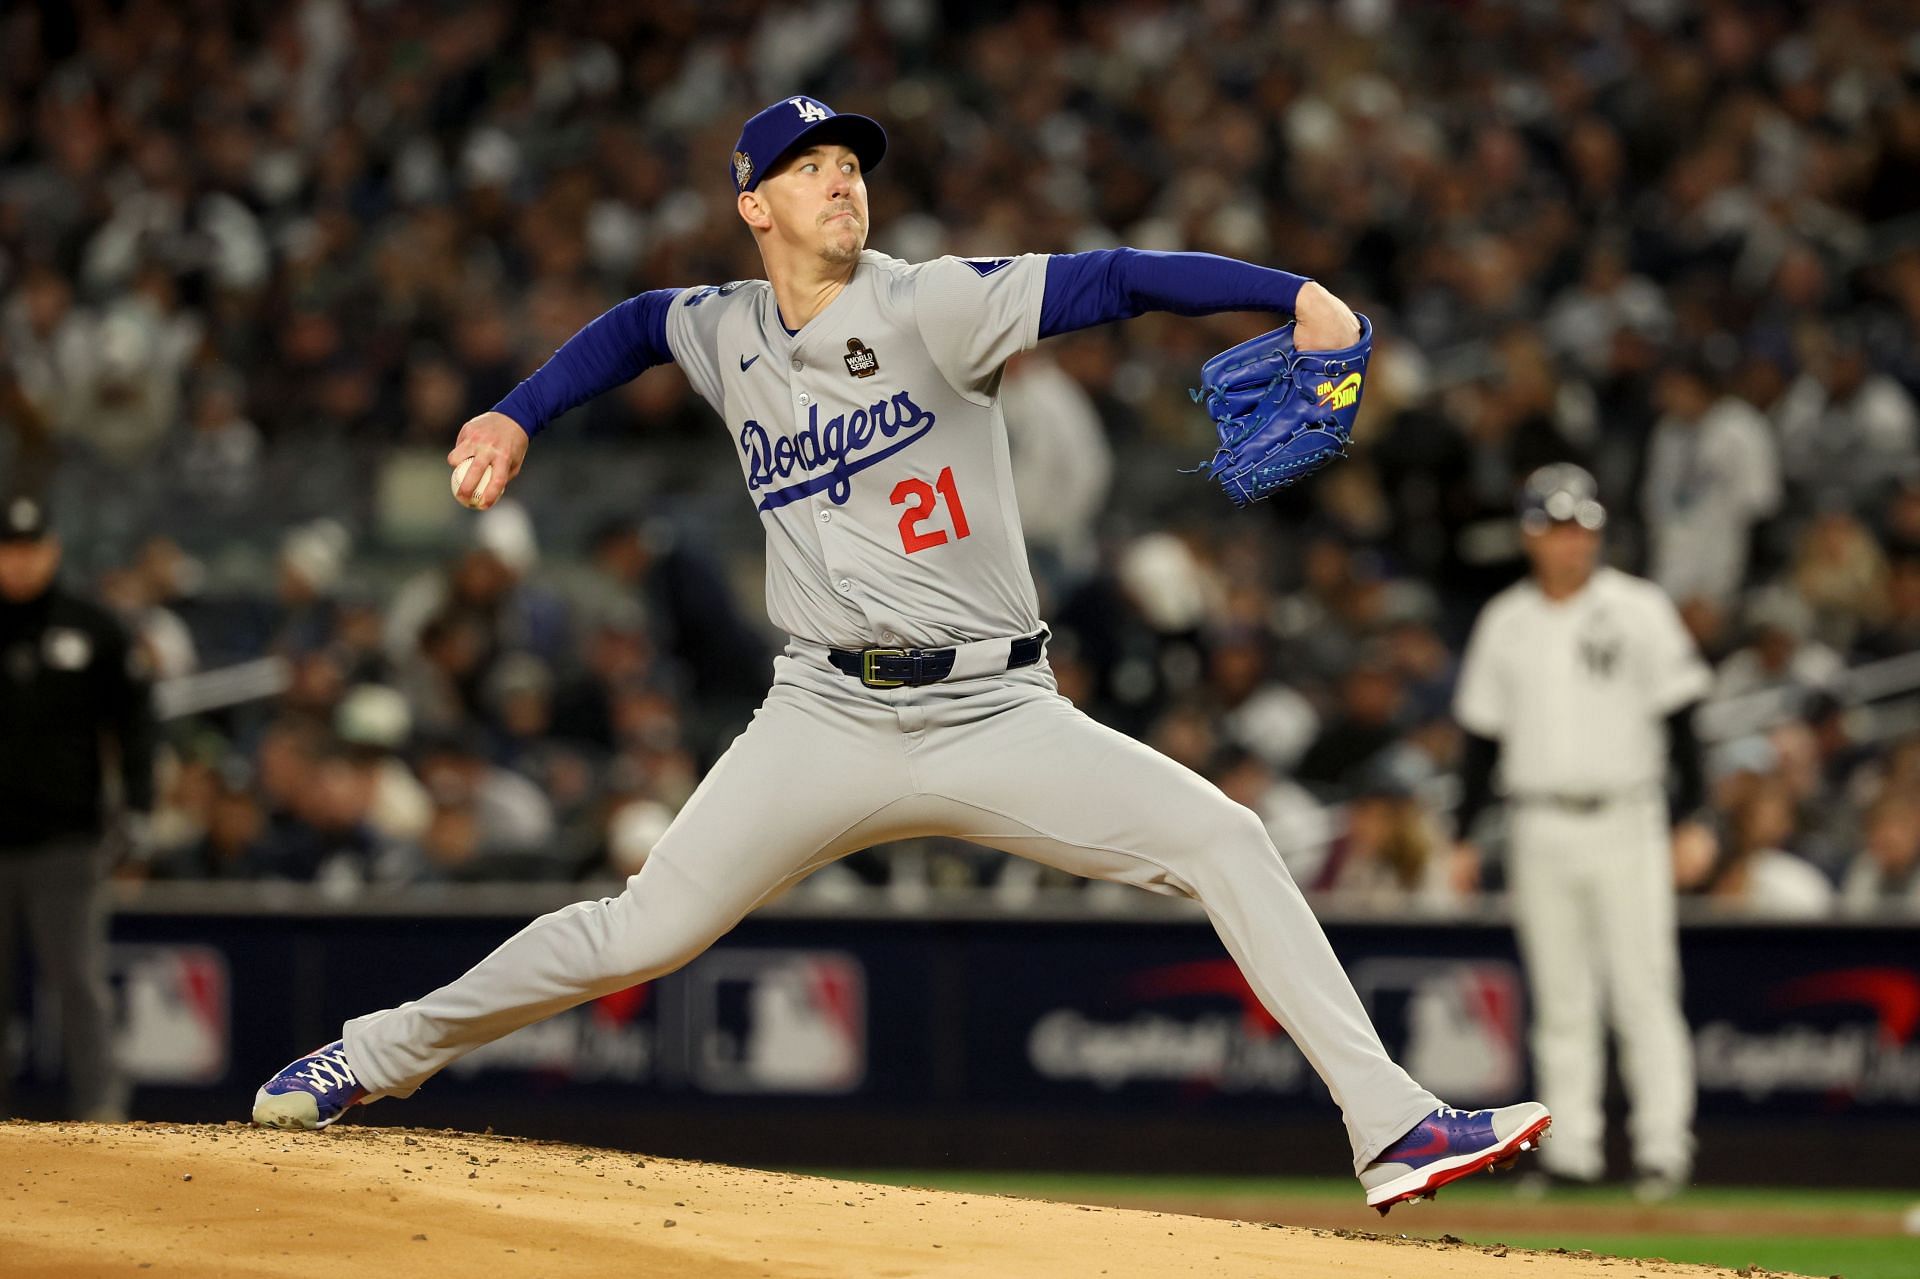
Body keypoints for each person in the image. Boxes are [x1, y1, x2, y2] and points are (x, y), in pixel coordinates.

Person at [253, 95, 1549, 1213]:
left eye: (853, 165)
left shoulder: (934, 303)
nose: (842, 181)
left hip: (996, 709)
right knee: (637, 929)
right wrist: (516, 410)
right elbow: (640, 324)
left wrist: (1294, 296)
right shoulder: (725, 328)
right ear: (753, 206)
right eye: (812, 169)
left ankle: (1392, 1126)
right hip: (820, 714)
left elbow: (1111, 278)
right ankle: (371, 1052)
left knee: (1226, 838)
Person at [1451, 464, 1709, 1202]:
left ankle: (1663, 1147)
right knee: (1561, 995)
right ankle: (1573, 1151)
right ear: (1531, 534)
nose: (1573, 542)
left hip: (1628, 816)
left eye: (1582, 527)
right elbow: (1479, 740)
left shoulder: (1639, 608)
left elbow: (1684, 718)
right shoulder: (1506, 620)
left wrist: (1693, 818)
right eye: (1558, 527)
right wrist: (1464, 834)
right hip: (1536, 820)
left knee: (1643, 986)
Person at [0, 493, 155, 1120]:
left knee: (79, 984)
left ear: (52, 552)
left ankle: (102, 1117)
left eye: (31, 550)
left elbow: (136, 726)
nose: (20, 564)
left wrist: (138, 813)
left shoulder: (93, 627)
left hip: (67, 842)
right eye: (9, 551)